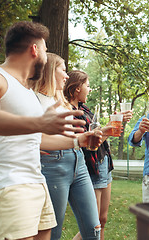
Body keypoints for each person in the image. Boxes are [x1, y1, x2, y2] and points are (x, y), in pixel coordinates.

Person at [0, 21, 87, 240]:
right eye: (45, 50)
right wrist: (40, 123)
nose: (46, 57)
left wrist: (79, 141)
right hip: (11, 187)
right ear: (35, 49)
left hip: (38, 183)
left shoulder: (26, 91)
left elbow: (37, 139)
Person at [29, 53, 102, 240]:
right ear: (50, 71)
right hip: (53, 165)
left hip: (79, 162)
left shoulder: (60, 100)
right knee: (52, 231)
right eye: (63, 69)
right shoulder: (33, 99)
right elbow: (33, 137)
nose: (67, 75)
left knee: (94, 229)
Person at [63, 70, 133, 240]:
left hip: (103, 164)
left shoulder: (84, 108)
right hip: (89, 168)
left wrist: (114, 121)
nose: (89, 89)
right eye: (87, 85)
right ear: (77, 87)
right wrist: (110, 127)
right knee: (92, 224)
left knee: (102, 219)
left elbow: (95, 131)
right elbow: (87, 144)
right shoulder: (71, 112)